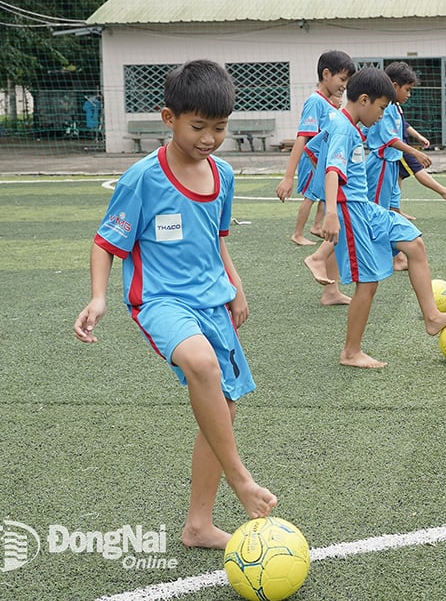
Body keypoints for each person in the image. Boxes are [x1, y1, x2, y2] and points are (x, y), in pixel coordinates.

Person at [73, 60, 277, 549]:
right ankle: (241, 480)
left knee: (220, 411)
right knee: (202, 365)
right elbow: (106, 242)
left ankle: (198, 525)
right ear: (169, 118)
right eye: (198, 126)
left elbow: (217, 239)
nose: (209, 138)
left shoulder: (223, 175)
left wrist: (237, 285)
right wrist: (99, 297)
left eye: (220, 128)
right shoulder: (144, 178)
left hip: (213, 301)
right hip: (160, 301)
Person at [319, 66, 446, 368]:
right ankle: (351, 352)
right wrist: (331, 214)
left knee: (414, 243)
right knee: (368, 283)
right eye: (381, 108)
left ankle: (432, 317)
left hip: (367, 208)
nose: (381, 115)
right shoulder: (342, 127)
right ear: (364, 100)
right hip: (351, 211)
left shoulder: (351, 125)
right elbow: (332, 170)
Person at [365, 61, 446, 270]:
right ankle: (370, 256)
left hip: (391, 165)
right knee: (376, 212)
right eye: (407, 89)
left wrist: (416, 139)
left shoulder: (395, 106)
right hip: (381, 164)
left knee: (393, 210)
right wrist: (415, 152)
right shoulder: (385, 107)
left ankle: (398, 258)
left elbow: (402, 128)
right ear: (393, 85)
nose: (409, 94)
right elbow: (389, 138)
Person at [276, 51, 354, 306]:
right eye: (342, 78)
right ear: (326, 74)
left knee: (335, 228)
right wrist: (288, 176)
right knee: (338, 221)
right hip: (318, 170)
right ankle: (307, 245)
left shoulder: (331, 104)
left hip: (332, 171)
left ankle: (331, 291)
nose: (344, 85)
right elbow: (302, 138)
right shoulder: (314, 102)